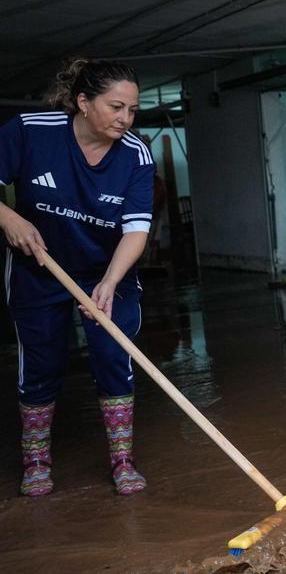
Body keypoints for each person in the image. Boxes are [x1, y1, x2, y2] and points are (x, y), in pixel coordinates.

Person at [0, 59, 155, 496]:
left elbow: (136, 231)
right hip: (40, 267)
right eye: (116, 107)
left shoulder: (135, 156)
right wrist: (7, 216)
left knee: (113, 356)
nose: (125, 119)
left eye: (132, 110)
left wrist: (108, 282)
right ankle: (35, 461)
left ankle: (123, 461)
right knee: (43, 361)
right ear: (83, 102)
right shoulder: (31, 131)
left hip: (107, 269)